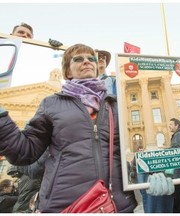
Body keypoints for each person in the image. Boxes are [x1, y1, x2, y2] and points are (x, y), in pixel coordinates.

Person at [0, 43, 137, 212]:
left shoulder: (114, 105)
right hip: (65, 206)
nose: (87, 61)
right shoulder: (51, 103)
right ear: (68, 71)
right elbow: (24, 151)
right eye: (78, 59)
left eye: (91, 58)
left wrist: (148, 178)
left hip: (116, 206)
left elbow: (121, 158)